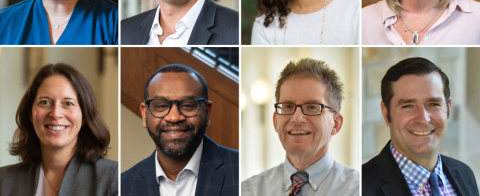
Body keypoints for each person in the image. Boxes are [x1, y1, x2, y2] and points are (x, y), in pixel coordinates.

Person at [362, 57, 479, 195]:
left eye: (433, 104)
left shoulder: (465, 174)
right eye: (408, 106)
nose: (423, 119)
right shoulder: (361, 186)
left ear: (448, 108)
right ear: (386, 112)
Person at [242, 58, 359, 195]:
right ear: (275, 121)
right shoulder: (249, 190)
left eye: (312, 107)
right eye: (288, 106)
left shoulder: (357, 189)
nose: (297, 118)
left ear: (336, 124)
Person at [0, 63, 118, 195]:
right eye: (45, 102)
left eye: (68, 103)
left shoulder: (112, 178)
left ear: (84, 116)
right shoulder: (3, 181)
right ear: (30, 113)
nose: (56, 113)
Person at [121, 64, 239, 195]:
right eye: (161, 106)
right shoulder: (124, 185)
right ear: (144, 114)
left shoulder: (243, 172)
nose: (174, 117)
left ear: (207, 112)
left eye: (187, 105)